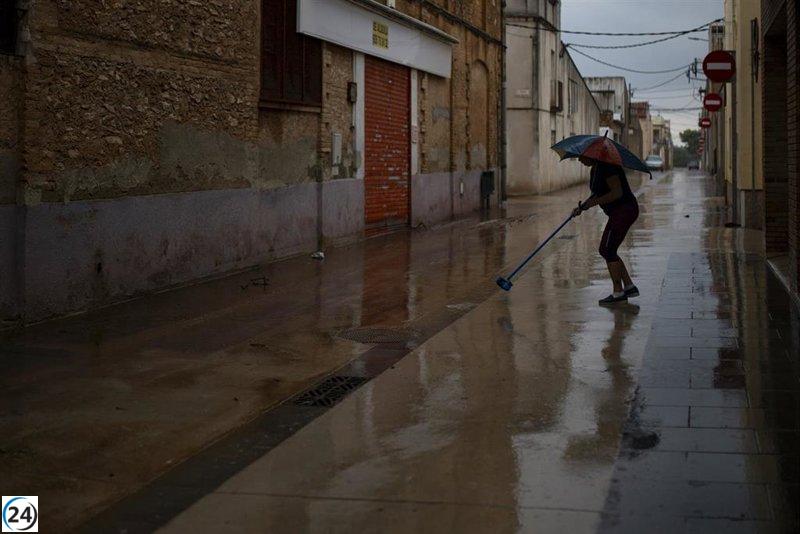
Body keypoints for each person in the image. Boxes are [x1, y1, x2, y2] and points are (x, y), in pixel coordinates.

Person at [572, 156, 639, 305]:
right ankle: (629, 287)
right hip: (618, 212)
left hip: (624, 211)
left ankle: (618, 293)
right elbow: (598, 192)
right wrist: (583, 207)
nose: (579, 160)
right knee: (609, 250)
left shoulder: (608, 166)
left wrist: (592, 203)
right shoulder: (595, 169)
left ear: (591, 154)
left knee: (607, 249)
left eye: (581, 157)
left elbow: (617, 193)